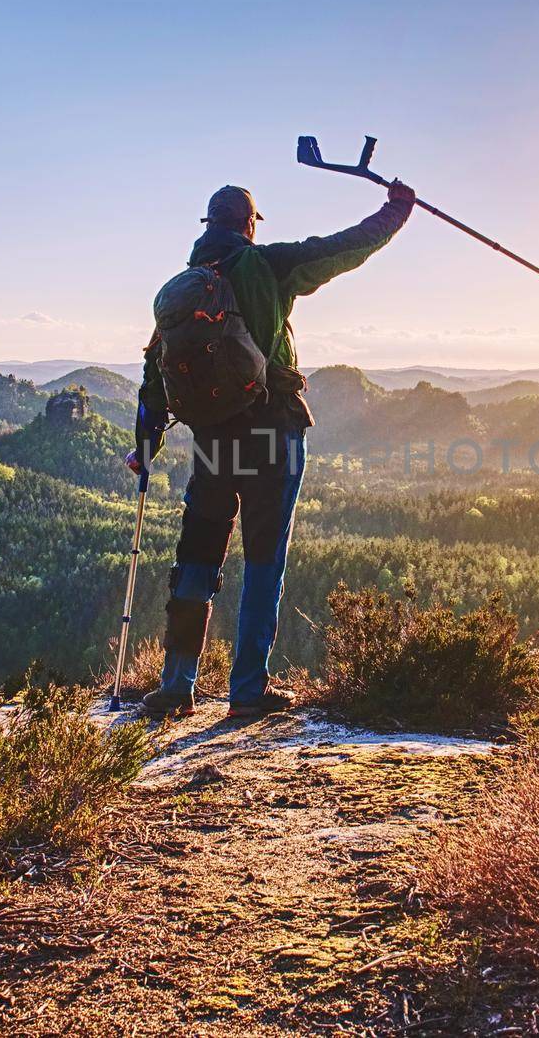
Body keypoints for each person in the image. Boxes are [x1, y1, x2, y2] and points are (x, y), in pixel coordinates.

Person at [129, 178, 416, 716]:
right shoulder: (264, 267)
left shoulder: (178, 291)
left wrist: (144, 449)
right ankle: (247, 691)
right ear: (249, 224)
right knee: (264, 559)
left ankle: (176, 685)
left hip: (213, 441)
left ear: (207, 227)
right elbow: (341, 249)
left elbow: (155, 373)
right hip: (271, 435)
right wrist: (397, 211)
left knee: (197, 554)